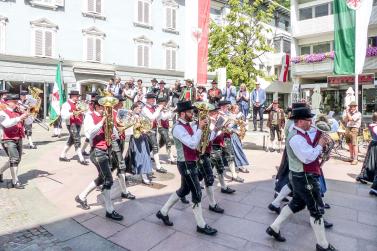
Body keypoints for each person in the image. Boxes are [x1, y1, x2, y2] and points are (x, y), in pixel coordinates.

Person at [266, 106, 336, 251]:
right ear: (300, 121)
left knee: (297, 203)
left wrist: (320, 142)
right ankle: (323, 245)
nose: (311, 121)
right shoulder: (296, 137)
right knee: (316, 210)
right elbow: (307, 157)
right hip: (305, 177)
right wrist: (320, 146)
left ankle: (274, 227)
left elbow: (310, 144)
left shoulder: (301, 132)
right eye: (308, 119)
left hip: (300, 176)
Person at [156, 100, 218, 236]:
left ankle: (163, 212)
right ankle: (201, 225)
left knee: (184, 190)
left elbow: (202, 138)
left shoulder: (189, 125)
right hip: (185, 164)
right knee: (197, 192)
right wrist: (200, 128)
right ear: (182, 114)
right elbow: (191, 143)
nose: (193, 114)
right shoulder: (178, 128)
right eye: (190, 112)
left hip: (192, 162)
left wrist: (208, 127)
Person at [75, 96, 123, 221]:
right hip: (97, 151)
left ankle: (82, 196)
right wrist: (102, 122)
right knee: (108, 180)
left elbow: (115, 135)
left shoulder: (106, 117)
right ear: (97, 106)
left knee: (102, 178)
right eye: (104, 107)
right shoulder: (90, 116)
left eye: (108, 107)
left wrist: (114, 133)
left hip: (106, 150)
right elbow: (89, 133)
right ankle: (109, 209)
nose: (107, 109)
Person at [0, 94, 29, 188]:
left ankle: (0, 171)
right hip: (7, 138)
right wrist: (20, 118)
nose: (17, 104)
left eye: (17, 102)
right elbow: (6, 124)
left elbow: (28, 122)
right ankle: (15, 181)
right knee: (14, 159)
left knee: (17, 159)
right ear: (8, 102)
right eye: (15, 102)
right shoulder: (2, 112)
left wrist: (26, 114)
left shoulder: (18, 112)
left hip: (18, 137)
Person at [111, 95, 135, 200]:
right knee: (121, 165)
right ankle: (124, 191)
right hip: (114, 140)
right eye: (121, 102)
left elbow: (124, 125)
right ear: (116, 102)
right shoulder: (110, 112)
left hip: (121, 138)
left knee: (114, 163)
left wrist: (130, 119)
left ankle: (101, 179)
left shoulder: (120, 111)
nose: (122, 104)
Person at [124, 102, 154, 185]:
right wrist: (130, 116)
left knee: (142, 157)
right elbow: (126, 125)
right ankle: (142, 176)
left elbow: (145, 125)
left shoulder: (141, 116)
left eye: (141, 108)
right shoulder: (131, 116)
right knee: (137, 157)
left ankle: (142, 175)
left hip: (143, 138)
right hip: (136, 139)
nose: (141, 109)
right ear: (135, 108)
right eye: (140, 108)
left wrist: (146, 129)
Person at [59, 90, 88, 165]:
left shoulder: (78, 103)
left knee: (72, 140)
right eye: (77, 96)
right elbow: (63, 115)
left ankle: (62, 155)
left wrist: (82, 111)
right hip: (71, 123)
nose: (78, 98)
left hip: (78, 122)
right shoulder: (66, 104)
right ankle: (81, 159)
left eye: (78, 96)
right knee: (77, 139)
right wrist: (73, 113)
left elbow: (84, 111)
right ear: (72, 96)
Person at [218, 100, 244, 183]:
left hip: (226, 138)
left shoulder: (227, 114)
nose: (228, 108)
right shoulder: (218, 115)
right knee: (215, 159)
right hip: (217, 139)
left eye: (228, 106)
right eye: (226, 107)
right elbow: (218, 128)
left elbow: (229, 127)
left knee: (230, 156)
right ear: (222, 107)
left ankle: (234, 175)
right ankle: (205, 177)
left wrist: (233, 128)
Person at [141, 93, 167, 173]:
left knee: (149, 148)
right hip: (148, 130)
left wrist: (162, 111)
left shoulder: (154, 108)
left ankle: (144, 164)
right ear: (147, 100)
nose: (153, 100)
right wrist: (159, 109)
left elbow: (160, 118)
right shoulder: (144, 108)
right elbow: (152, 118)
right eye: (152, 99)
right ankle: (158, 166)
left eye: (154, 99)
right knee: (155, 146)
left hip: (154, 129)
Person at [356, 112, 377, 196]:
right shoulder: (375, 126)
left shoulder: (372, 125)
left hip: (373, 145)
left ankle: (366, 177)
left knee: (370, 163)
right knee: (371, 164)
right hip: (375, 146)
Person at [229, 105, 250, 173]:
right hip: (233, 136)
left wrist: (244, 124)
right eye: (237, 108)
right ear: (233, 109)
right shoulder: (231, 116)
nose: (238, 109)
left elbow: (241, 124)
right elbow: (229, 127)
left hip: (236, 135)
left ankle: (238, 166)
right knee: (237, 150)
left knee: (236, 150)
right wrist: (236, 130)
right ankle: (241, 166)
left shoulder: (237, 116)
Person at [157, 97, 176, 164]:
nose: (165, 103)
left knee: (161, 143)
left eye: (165, 102)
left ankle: (151, 154)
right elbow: (164, 118)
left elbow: (170, 117)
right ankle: (171, 158)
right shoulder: (158, 109)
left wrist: (174, 112)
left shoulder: (165, 109)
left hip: (166, 128)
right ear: (160, 103)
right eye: (163, 102)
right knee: (168, 142)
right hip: (160, 128)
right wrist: (170, 111)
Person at [81, 92, 98, 156]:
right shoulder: (93, 101)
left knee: (89, 136)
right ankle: (92, 150)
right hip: (91, 118)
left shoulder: (89, 101)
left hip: (89, 118)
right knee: (92, 135)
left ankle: (84, 150)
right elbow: (92, 110)